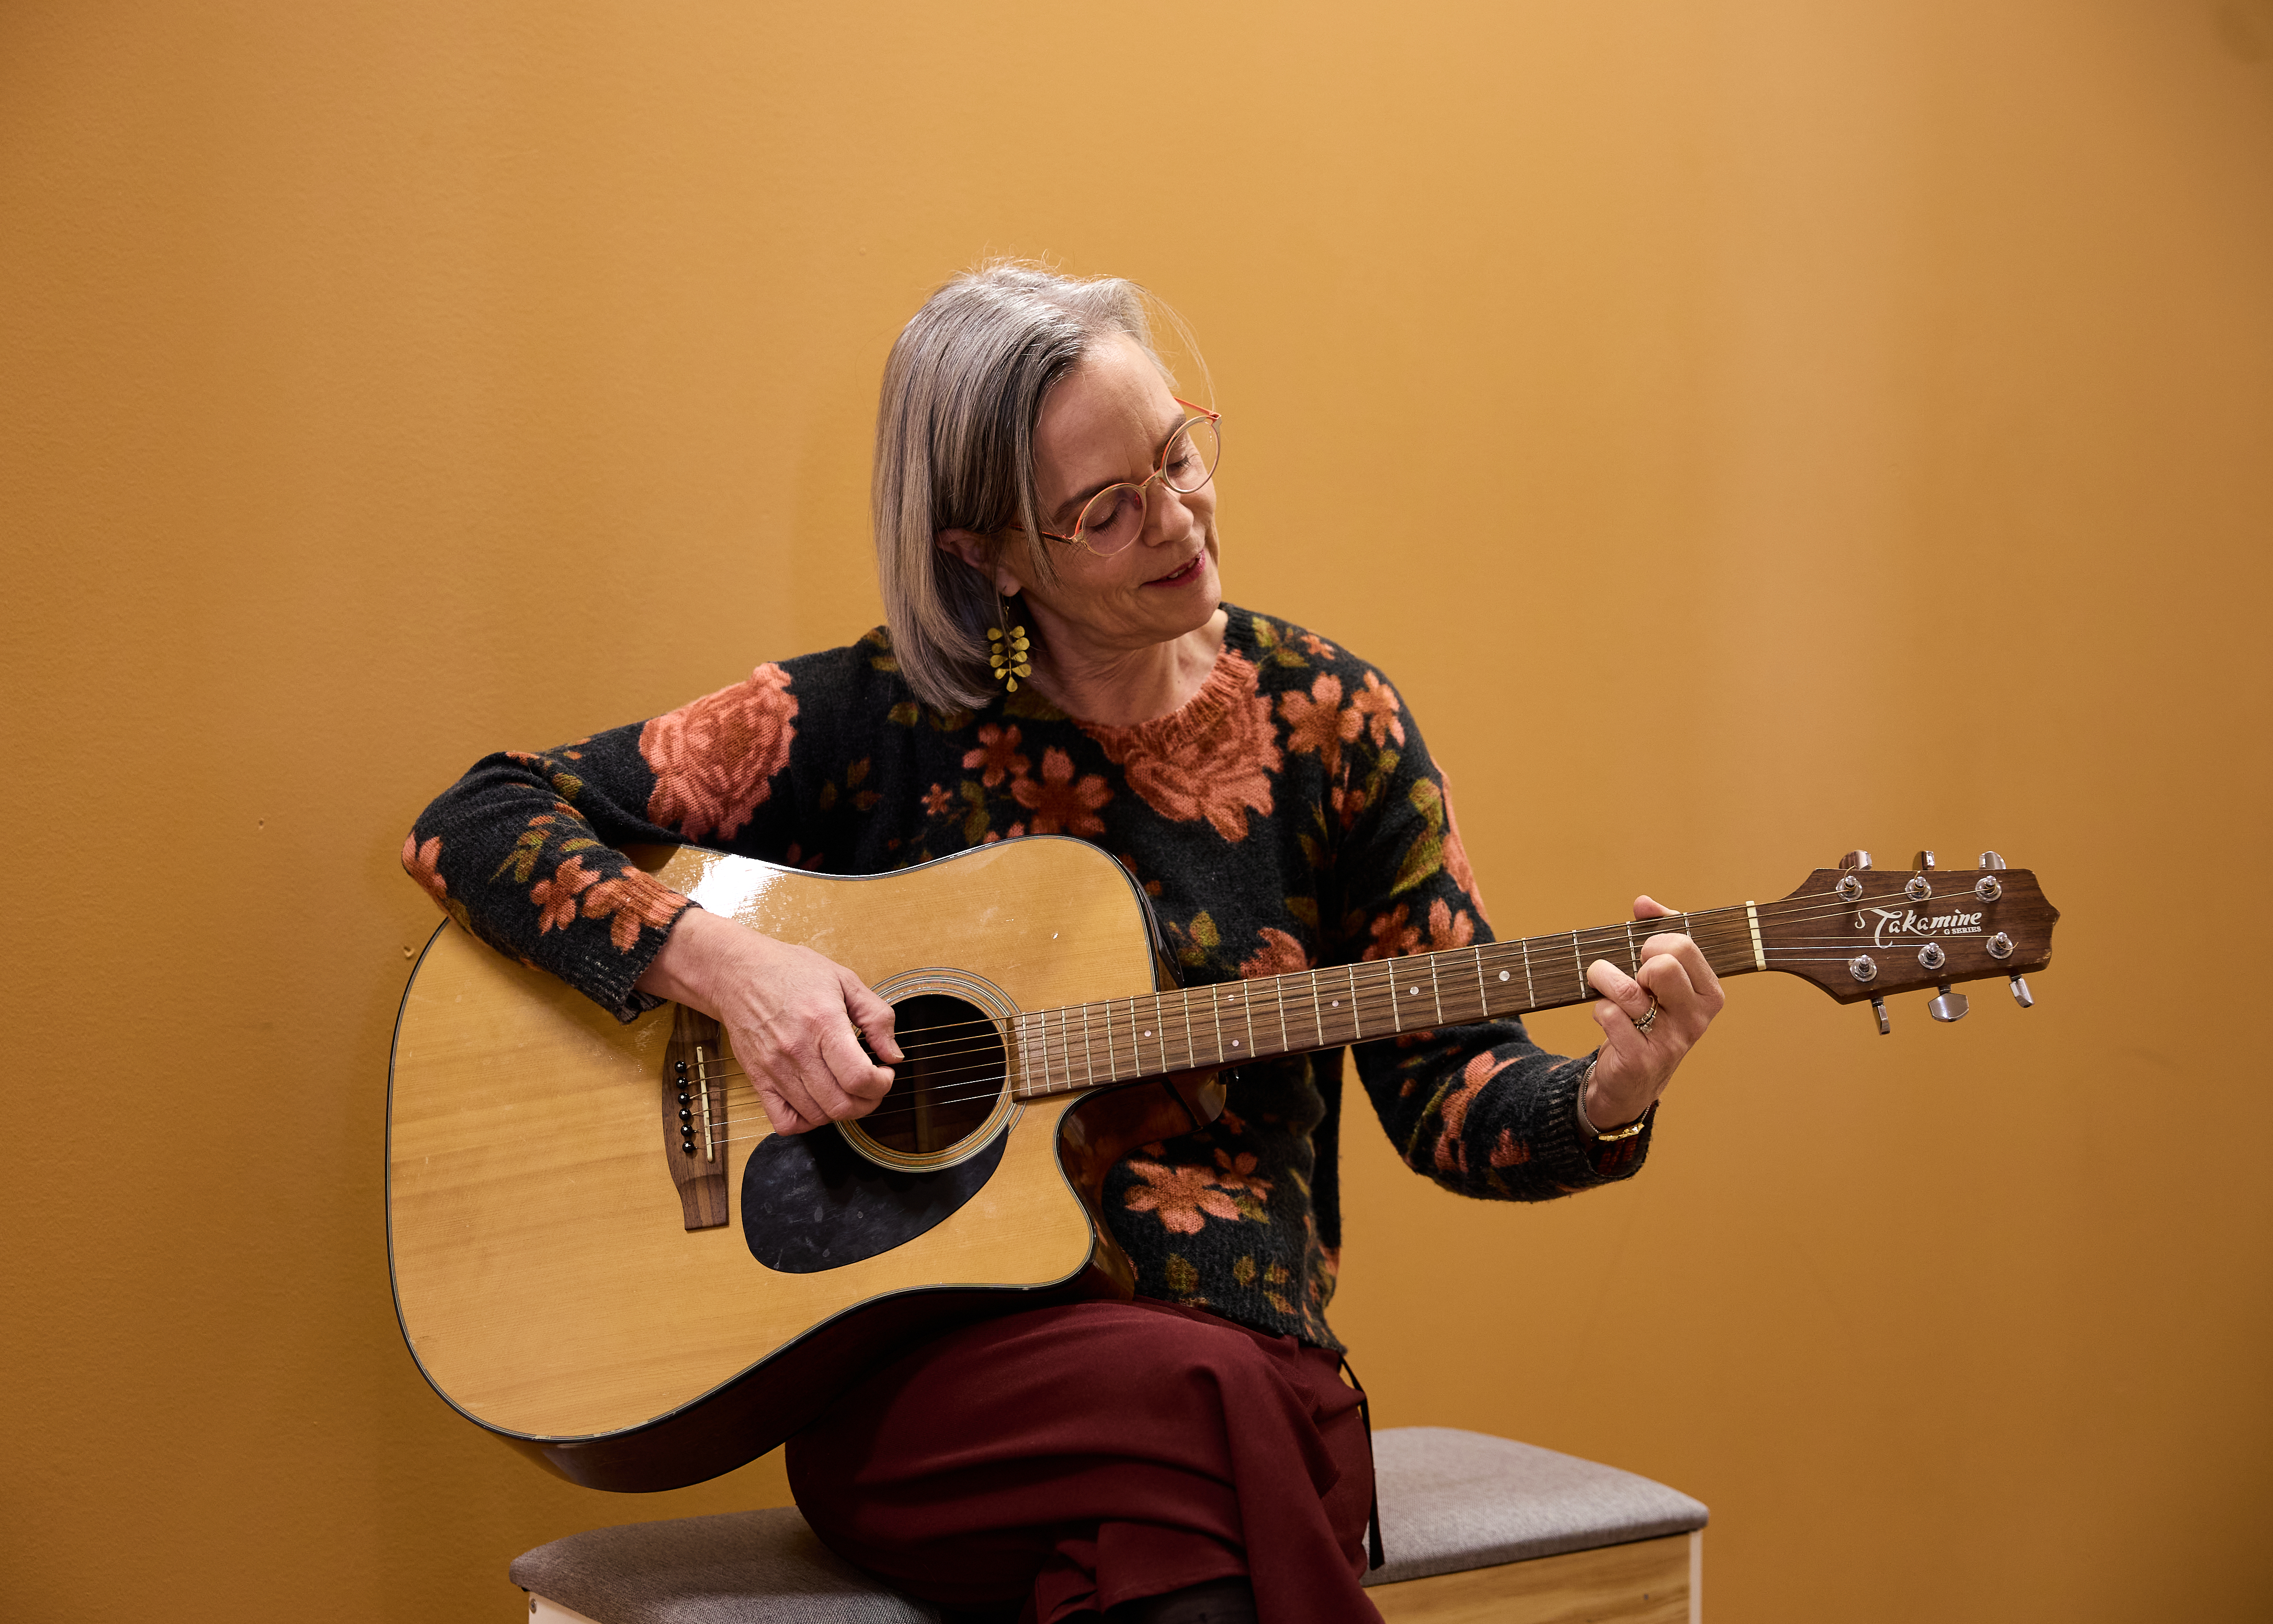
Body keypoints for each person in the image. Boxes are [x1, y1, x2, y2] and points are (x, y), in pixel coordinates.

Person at [403, 262, 1724, 1624]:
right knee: (1224, 1430)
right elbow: (477, 818)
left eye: (1177, 453)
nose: (1178, 518)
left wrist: (1604, 1093)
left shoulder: (1334, 720)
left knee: (1194, 1483)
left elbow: (1452, 1092)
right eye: (1107, 509)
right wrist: (734, 970)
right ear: (988, 552)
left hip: (1230, 1358)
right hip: (941, 1400)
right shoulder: (873, 722)